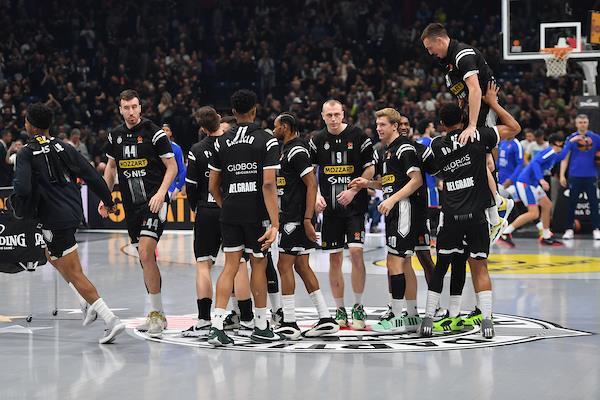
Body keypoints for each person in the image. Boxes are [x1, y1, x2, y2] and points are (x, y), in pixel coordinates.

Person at [12, 103, 125, 344]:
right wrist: (108, 201)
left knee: (74, 271)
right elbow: (91, 175)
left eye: (26, 120)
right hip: (73, 212)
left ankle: (110, 318)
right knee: (51, 255)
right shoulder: (64, 146)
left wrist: (18, 205)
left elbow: (21, 188)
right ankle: (84, 301)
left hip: (54, 218)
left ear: (31, 126)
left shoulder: (25, 153)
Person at [420, 83, 521, 339]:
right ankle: (486, 320)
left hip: (451, 216)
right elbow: (514, 128)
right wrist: (493, 102)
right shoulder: (478, 135)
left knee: (442, 266)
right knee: (480, 266)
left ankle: (429, 318)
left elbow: (430, 168)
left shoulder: (437, 144)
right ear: (464, 119)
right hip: (476, 216)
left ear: (441, 124)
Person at [421, 22, 513, 244]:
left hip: (486, 108)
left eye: (430, 48)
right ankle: (498, 205)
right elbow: (463, 95)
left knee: (482, 159)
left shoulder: (463, 55)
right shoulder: (448, 64)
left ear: (439, 40)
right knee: (479, 159)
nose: (430, 52)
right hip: (474, 110)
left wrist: (471, 125)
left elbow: (475, 89)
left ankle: (496, 210)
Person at [207, 89, 282, 346]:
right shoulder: (267, 140)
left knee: (230, 266)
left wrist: (226, 204)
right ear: (254, 111)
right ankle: (260, 326)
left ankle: (216, 326)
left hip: (230, 211)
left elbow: (213, 186)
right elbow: (269, 184)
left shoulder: (221, 142)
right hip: (256, 213)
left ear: (233, 112)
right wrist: (275, 223)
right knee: (258, 264)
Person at [100, 89, 178, 338]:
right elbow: (111, 168)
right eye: (126, 108)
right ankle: (157, 313)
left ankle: (156, 315)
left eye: (134, 107)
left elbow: (172, 167)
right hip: (131, 206)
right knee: (145, 259)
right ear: (120, 110)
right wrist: (105, 198)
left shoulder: (155, 133)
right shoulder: (115, 136)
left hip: (154, 202)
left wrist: (161, 194)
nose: (131, 112)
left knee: (145, 251)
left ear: (140, 108)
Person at [349, 108, 423, 333]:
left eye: (382, 125)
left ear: (394, 126)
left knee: (395, 262)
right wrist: (367, 184)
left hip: (404, 209)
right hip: (395, 210)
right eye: (377, 125)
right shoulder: (385, 151)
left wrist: (392, 200)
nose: (378, 128)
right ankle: (412, 315)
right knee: (404, 262)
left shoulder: (404, 148)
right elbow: (387, 183)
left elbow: (416, 180)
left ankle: (398, 316)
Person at [182, 108, 255, 337]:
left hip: (207, 209)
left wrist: (196, 207)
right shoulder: (232, 145)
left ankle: (204, 320)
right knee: (239, 264)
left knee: (203, 265)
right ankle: (247, 320)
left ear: (203, 128)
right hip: (232, 209)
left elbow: (191, 186)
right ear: (219, 121)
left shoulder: (197, 149)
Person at [272, 112, 339, 339]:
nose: (274, 130)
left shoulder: (297, 151)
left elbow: (311, 184)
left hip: (295, 218)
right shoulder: (288, 150)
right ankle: (326, 318)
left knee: (284, 266)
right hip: (296, 217)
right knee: (302, 266)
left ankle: (289, 322)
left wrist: (308, 219)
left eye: (276, 126)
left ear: (286, 126)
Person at [309, 99, 375, 329]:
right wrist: (316, 195)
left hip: (355, 207)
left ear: (343, 114)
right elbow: (310, 172)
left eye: (337, 114)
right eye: (329, 115)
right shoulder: (317, 140)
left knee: (356, 253)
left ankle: (358, 305)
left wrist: (354, 190)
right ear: (322, 116)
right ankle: (339, 308)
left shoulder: (359, 136)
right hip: (330, 210)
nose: (334, 119)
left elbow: (370, 168)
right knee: (334, 258)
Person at [502, 134, 566, 247]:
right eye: (562, 143)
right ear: (557, 143)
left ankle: (546, 235)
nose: (563, 145)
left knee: (547, 205)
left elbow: (563, 156)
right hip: (526, 183)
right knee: (533, 213)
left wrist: (571, 142)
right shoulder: (550, 151)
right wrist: (541, 179)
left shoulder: (554, 154)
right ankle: (505, 232)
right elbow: (535, 162)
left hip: (533, 183)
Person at [560, 114, 600, 240]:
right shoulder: (571, 138)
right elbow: (565, 157)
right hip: (574, 175)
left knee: (594, 203)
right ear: (576, 124)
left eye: (584, 122)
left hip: (591, 175)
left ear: (588, 123)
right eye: (580, 122)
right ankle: (569, 229)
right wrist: (562, 175)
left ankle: (596, 229)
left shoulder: (596, 138)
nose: (583, 124)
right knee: (572, 203)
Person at [163, 123, 186, 200]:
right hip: (156, 186)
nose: (164, 132)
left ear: (171, 133)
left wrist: (177, 188)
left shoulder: (176, 148)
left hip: (171, 188)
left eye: (167, 130)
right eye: (163, 130)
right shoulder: (154, 147)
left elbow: (182, 170)